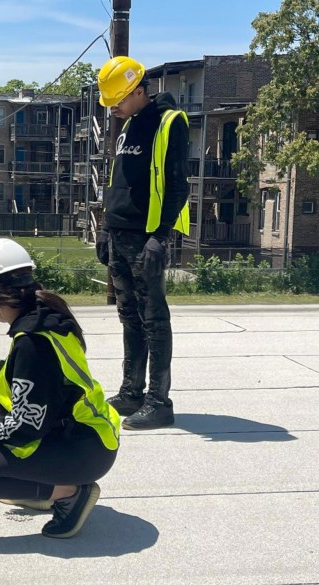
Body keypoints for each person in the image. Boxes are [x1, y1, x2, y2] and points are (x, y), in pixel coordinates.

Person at [0, 239, 119, 539]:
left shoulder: (31, 342)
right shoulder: (48, 317)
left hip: (82, 451)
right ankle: (47, 487)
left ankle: (66, 492)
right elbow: (41, 370)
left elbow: (24, 427)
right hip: (90, 439)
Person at [95, 56, 191, 430]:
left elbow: (178, 185)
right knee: (128, 317)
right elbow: (118, 181)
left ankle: (158, 401)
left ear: (139, 91)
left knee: (154, 320)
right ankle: (131, 392)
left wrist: (159, 237)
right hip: (119, 234)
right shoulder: (129, 124)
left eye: (117, 99)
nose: (113, 108)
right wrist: (105, 227)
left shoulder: (170, 123)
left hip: (144, 236)